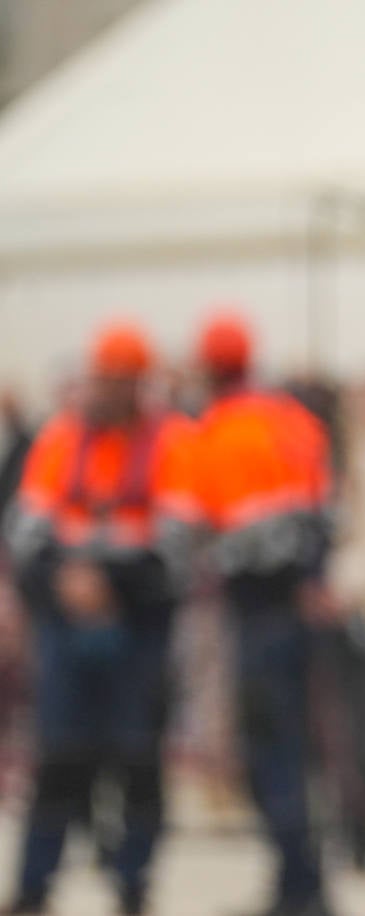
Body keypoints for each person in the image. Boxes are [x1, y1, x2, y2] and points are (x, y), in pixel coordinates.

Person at [3, 322, 197, 915]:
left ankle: (133, 886)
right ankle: (34, 888)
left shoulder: (174, 442)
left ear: (140, 384)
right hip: (67, 627)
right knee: (59, 760)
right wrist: (67, 581)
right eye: (98, 379)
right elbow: (27, 535)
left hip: (141, 629)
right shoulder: (60, 439)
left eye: (116, 381)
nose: (103, 391)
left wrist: (106, 582)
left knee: (138, 762)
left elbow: (179, 546)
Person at [189, 312, 334, 916]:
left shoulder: (214, 433)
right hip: (301, 607)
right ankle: (299, 884)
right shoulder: (295, 421)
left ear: (208, 369)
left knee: (267, 753)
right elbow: (324, 510)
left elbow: (206, 534)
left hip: (256, 612)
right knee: (295, 750)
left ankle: (301, 889)